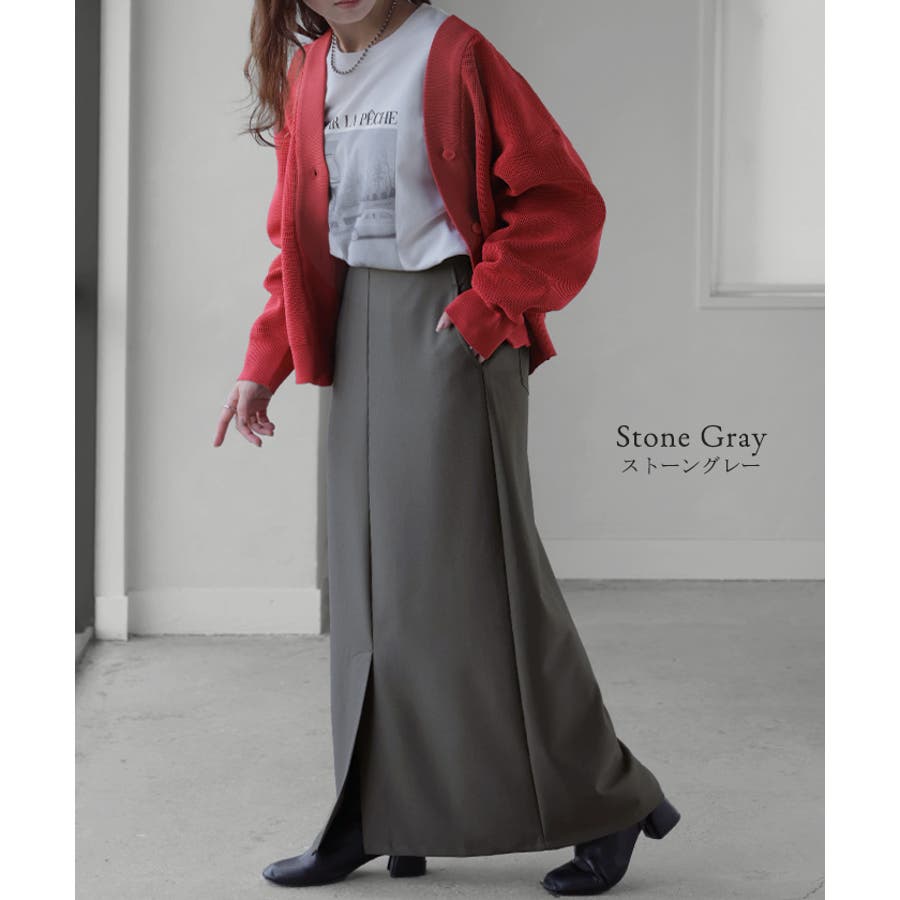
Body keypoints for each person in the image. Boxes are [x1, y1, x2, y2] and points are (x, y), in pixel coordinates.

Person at [212, 1, 681, 894]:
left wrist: (485, 308)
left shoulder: (454, 53)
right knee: (368, 588)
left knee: (476, 584)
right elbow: (297, 238)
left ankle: (610, 802)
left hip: (451, 319)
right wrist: (262, 364)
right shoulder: (310, 73)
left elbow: (563, 200)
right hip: (353, 325)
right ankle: (375, 813)